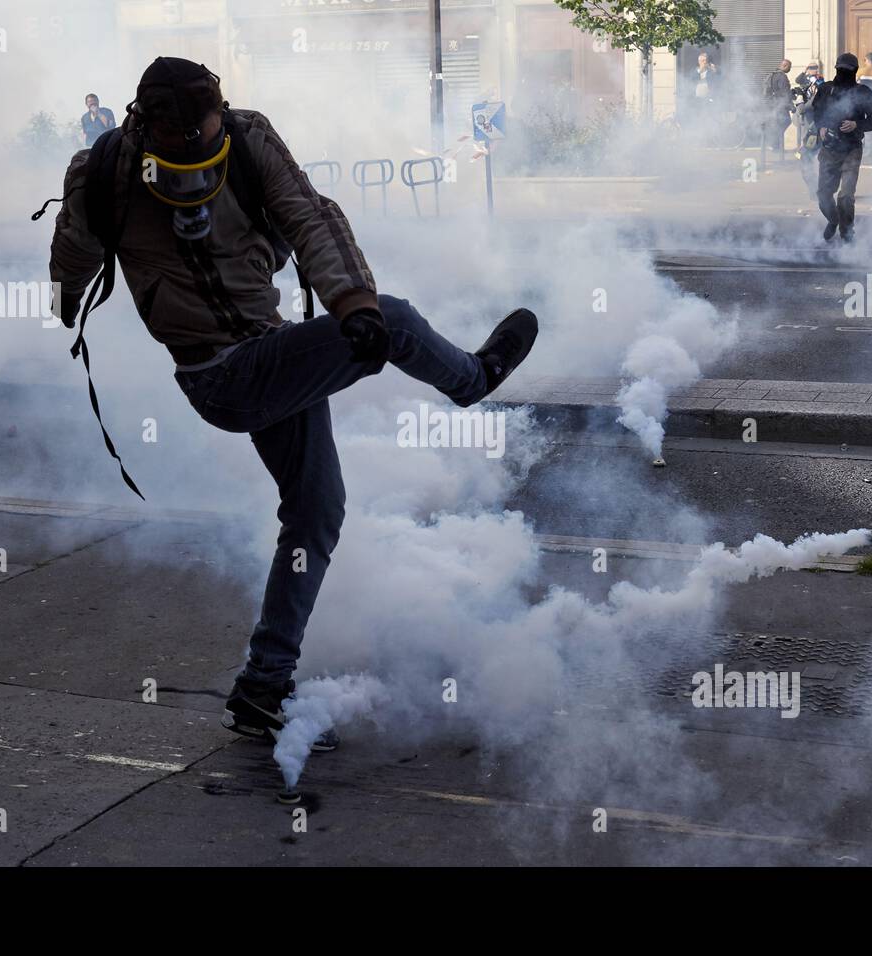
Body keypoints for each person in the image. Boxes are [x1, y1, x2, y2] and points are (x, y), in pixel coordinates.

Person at [48, 58, 539, 747]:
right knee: (395, 322)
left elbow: (311, 221)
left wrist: (350, 303)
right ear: (145, 127)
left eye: (203, 141)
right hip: (220, 374)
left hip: (270, 353)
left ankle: (262, 686)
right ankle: (472, 380)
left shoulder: (250, 141)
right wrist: (67, 295)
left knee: (316, 511)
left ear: (220, 115)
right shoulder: (104, 172)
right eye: (175, 147)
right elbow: (73, 249)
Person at [811, 53, 872, 242]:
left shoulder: (863, 93)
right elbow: (816, 112)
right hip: (829, 149)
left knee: (846, 196)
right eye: (840, 70)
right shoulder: (826, 89)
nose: (843, 74)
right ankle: (834, 220)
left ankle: (847, 233)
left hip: (852, 150)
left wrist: (857, 124)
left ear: (855, 71)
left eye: (847, 71)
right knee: (824, 195)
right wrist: (821, 127)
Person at [793, 61, 825, 198]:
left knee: (806, 160)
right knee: (812, 161)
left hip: (813, 132)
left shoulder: (818, 90)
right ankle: (818, 190)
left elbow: (801, 109)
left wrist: (800, 100)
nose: (813, 70)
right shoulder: (809, 86)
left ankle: (816, 191)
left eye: (814, 68)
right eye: (811, 68)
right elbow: (799, 80)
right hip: (811, 132)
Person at [762, 59, 794, 160]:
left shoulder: (772, 75)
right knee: (785, 121)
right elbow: (785, 93)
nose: (790, 69)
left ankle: (775, 145)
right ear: (785, 66)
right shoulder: (782, 76)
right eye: (789, 67)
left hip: (772, 105)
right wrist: (791, 106)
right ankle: (776, 145)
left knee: (778, 124)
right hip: (780, 105)